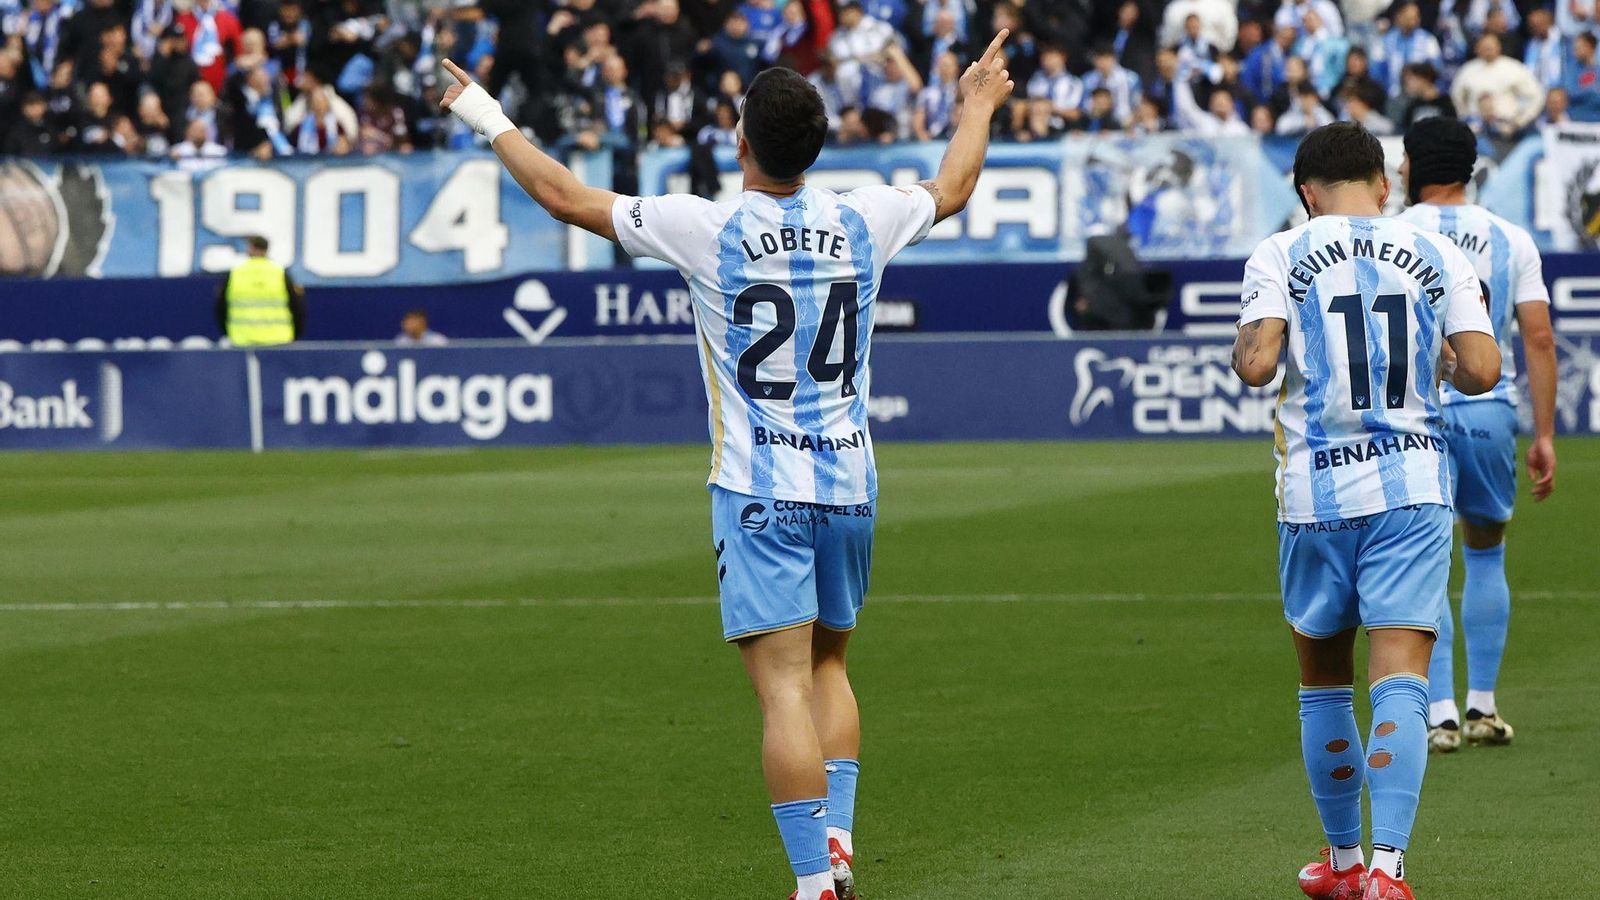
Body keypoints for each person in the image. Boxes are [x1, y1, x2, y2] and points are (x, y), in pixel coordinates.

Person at [440, 28, 1015, 900]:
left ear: (740, 141)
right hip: (850, 484)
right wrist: (974, 103)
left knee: (782, 688)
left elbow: (563, 197)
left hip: (756, 488)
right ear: (818, 148)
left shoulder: (703, 226)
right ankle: (840, 848)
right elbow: (956, 185)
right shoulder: (865, 217)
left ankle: (812, 882)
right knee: (829, 669)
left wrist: (482, 111)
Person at [1231, 122, 1500, 900]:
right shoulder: (1436, 252)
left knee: (1322, 680)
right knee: (1400, 677)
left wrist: (1252, 342)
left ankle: (1343, 862)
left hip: (1313, 491)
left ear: (1304, 192)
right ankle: (1389, 869)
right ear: (1384, 186)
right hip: (1412, 488)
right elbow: (1482, 367)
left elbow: (1256, 367)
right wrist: (1443, 358)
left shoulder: (1280, 251)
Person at [1394, 117, 1558, 754]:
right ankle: (1484, 706)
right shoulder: (1511, 238)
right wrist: (1543, 433)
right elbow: (1538, 338)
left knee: (1425, 562)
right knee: (1486, 552)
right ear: (1468, 170)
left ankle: (1437, 714)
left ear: (1412, 165)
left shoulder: (1393, 234)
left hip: (1419, 414)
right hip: (1491, 409)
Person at [216, 235, 305, 347]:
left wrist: (229, 332)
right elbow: (297, 307)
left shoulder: (236, 274)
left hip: (242, 340)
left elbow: (221, 308)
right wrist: (295, 335)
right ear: (266, 249)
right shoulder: (279, 273)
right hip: (278, 340)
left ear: (251, 248)